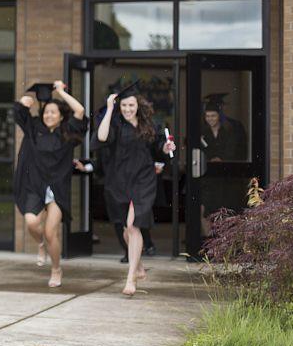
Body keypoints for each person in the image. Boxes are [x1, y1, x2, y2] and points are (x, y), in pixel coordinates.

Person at [93, 84, 174, 296]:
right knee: (126, 229)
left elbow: (157, 148)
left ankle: (131, 278)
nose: (128, 109)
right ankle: (137, 265)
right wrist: (109, 109)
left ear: (138, 106)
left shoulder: (148, 125)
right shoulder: (115, 124)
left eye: (131, 105)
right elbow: (101, 138)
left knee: (133, 225)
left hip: (144, 179)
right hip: (119, 181)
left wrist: (165, 148)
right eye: (124, 105)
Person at [14, 81, 87, 288]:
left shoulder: (67, 131)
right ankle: (40, 245)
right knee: (31, 222)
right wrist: (23, 103)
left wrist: (61, 92)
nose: (49, 115)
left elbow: (80, 110)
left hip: (56, 188)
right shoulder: (35, 128)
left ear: (61, 116)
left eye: (54, 112)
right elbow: (20, 114)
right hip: (36, 185)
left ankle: (56, 268)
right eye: (46, 112)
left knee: (50, 232)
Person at [199, 93, 249, 234]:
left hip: (226, 177)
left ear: (219, 116)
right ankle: (209, 240)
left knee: (225, 209)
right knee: (205, 209)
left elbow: (237, 150)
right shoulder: (202, 132)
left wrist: (222, 159)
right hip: (208, 177)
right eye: (207, 116)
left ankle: (222, 240)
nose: (210, 119)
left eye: (213, 116)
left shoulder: (231, 129)